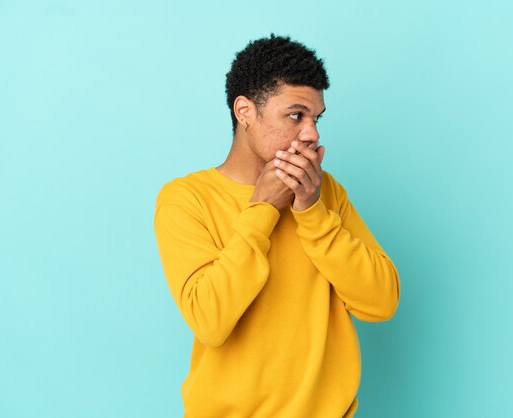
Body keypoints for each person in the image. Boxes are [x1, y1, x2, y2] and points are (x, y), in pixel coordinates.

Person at [153, 33, 401, 418]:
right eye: (296, 115)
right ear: (245, 112)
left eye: (316, 118)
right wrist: (263, 209)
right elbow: (210, 321)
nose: (312, 133)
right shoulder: (187, 198)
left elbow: (382, 302)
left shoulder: (323, 191)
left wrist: (313, 212)